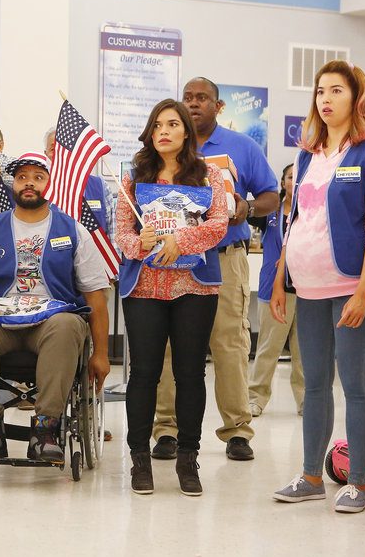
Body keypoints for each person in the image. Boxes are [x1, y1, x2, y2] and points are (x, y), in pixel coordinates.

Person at [271, 60, 365, 514]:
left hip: (353, 287)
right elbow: (293, 220)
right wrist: (282, 279)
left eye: (336, 90)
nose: (325, 99)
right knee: (315, 385)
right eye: (320, 91)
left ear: (355, 97)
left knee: (356, 384)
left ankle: (358, 482)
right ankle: (309, 477)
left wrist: (362, 291)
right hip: (309, 287)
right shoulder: (308, 154)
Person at [0, 152, 110, 463]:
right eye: (22, 177)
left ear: (50, 184)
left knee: (67, 324)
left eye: (38, 177)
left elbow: (96, 296)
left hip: (51, 321)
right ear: (13, 185)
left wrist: (100, 353)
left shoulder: (73, 231)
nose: (29, 183)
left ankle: (45, 429)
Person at [151, 77, 279, 462]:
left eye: (202, 98)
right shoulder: (167, 146)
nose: (193, 104)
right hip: (174, 261)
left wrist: (248, 208)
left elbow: (273, 195)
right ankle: (166, 429)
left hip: (225, 257)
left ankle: (237, 430)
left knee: (230, 344)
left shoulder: (243, 147)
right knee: (170, 346)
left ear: (218, 106)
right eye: (187, 98)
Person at [116, 99, 228, 496]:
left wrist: (180, 241)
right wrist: (138, 242)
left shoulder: (209, 175)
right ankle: (139, 459)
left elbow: (218, 225)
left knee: (190, 372)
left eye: (173, 124)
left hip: (194, 287)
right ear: (150, 132)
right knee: (144, 373)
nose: (164, 131)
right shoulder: (133, 178)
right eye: (158, 125)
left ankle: (188, 458)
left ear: (186, 132)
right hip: (144, 287)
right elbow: (121, 234)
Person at [247, 163, 304, 417]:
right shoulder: (270, 211)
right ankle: (256, 397)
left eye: (300, 177)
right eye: (291, 177)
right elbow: (244, 210)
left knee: (304, 351)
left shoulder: (313, 211)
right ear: (283, 183)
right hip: (273, 288)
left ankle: (305, 401)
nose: (295, 181)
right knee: (268, 348)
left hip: (305, 289)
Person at [44, 127, 115, 240]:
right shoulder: (42, 189)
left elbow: (112, 232)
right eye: (53, 149)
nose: (60, 153)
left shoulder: (101, 186)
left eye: (65, 148)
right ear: (45, 154)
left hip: (96, 256)